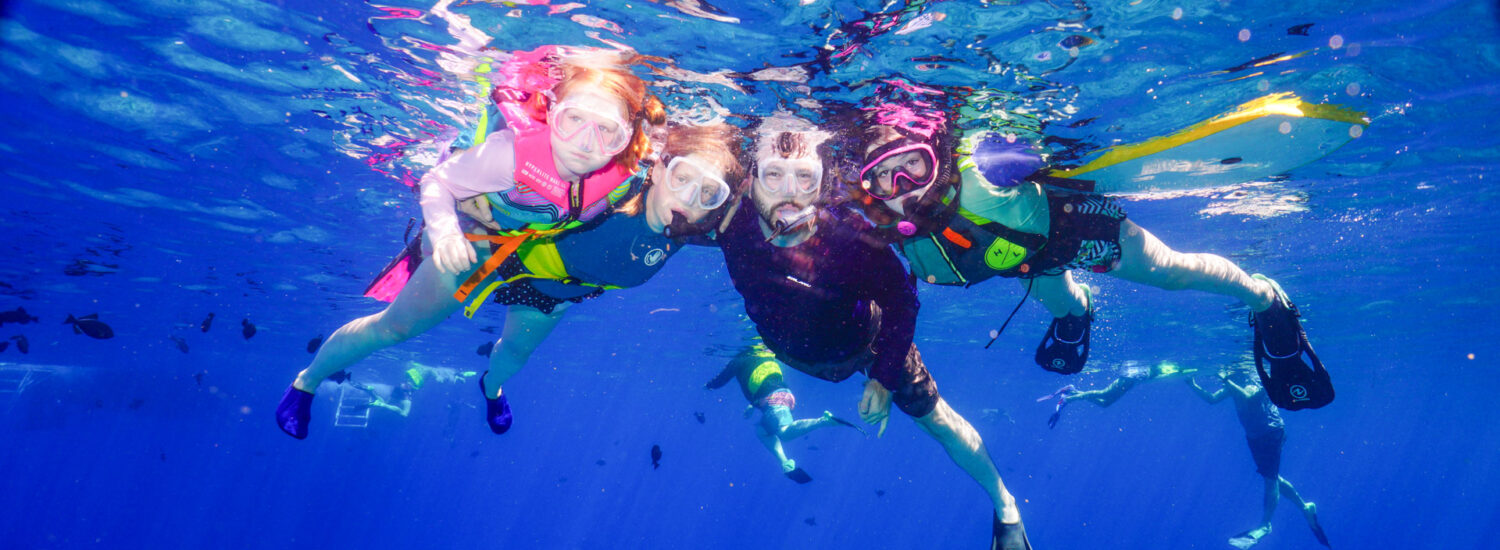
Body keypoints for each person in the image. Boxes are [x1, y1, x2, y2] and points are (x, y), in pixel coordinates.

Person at [851, 91, 1332, 411]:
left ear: (937, 157)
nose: (902, 188)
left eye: (913, 166)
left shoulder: (984, 170)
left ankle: (1264, 298)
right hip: (1027, 259)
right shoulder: (886, 227)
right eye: (883, 178)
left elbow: (1061, 150)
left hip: (1081, 233)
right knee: (1061, 304)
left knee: (1173, 273)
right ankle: (1079, 309)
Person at [276, 50, 667, 439]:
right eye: (573, 120)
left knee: (518, 351)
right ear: (551, 112)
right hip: (473, 237)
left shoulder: (628, 171)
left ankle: (492, 389)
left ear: (628, 136)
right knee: (396, 328)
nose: (586, 142)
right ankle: (306, 382)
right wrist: (445, 233)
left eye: (607, 130)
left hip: (536, 256)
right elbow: (438, 183)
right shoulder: (509, 155)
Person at [716, 113, 1035, 549]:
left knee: (936, 420)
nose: (789, 193)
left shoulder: (853, 239)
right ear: (749, 181)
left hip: (868, 344)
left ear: (825, 183)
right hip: (782, 347)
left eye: (804, 177)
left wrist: (884, 378)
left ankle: (1005, 507)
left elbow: (903, 303)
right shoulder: (727, 220)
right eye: (773, 175)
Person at [469, 122, 745, 434]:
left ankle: (492, 390)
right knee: (404, 321)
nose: (691, 197)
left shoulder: (692, 228)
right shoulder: (615, 187)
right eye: (682, 177)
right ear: (658, 169)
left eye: (709, 193)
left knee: (515, 354)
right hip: (501, 248)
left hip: (552, 294)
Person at [1187, 363, 1330, 549]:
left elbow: (1250, 398)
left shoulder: (1256, 379)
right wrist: (1192, 384)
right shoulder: (1234, 381)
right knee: (1272, 477)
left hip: (1271, 433)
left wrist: (1225, 378)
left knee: (1270, 480)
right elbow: (1213, 399)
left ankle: (1265, 524)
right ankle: (1305, 507)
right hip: (1255, 436)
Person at [704, 343, 864, 483]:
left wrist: (707, 386)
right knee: (762, 432)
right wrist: (753, 406)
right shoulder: (765, 353)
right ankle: (785, 464)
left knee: (784, 433)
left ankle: (825, 421)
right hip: (783, 396)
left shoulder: (738, 361)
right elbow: (762, 381)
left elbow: (721, 380)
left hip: (774, 400)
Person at [1038, 360, 1198, 428]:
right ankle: (1069, 399)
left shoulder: (1172, 370)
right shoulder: (1172, 370)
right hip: (1131, 377)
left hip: (1134, 379)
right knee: (1105, 393)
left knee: (1105, 402)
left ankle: (1073, 391)